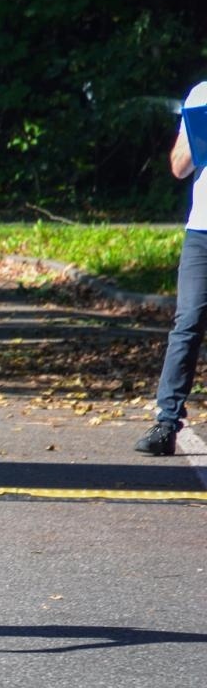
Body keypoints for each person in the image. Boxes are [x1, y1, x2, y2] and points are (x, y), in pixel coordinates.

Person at [134, 86, 207, 457]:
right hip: (202, 233)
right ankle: (166, 423)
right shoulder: (202, 95)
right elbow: (179, 168)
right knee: (188, 323)